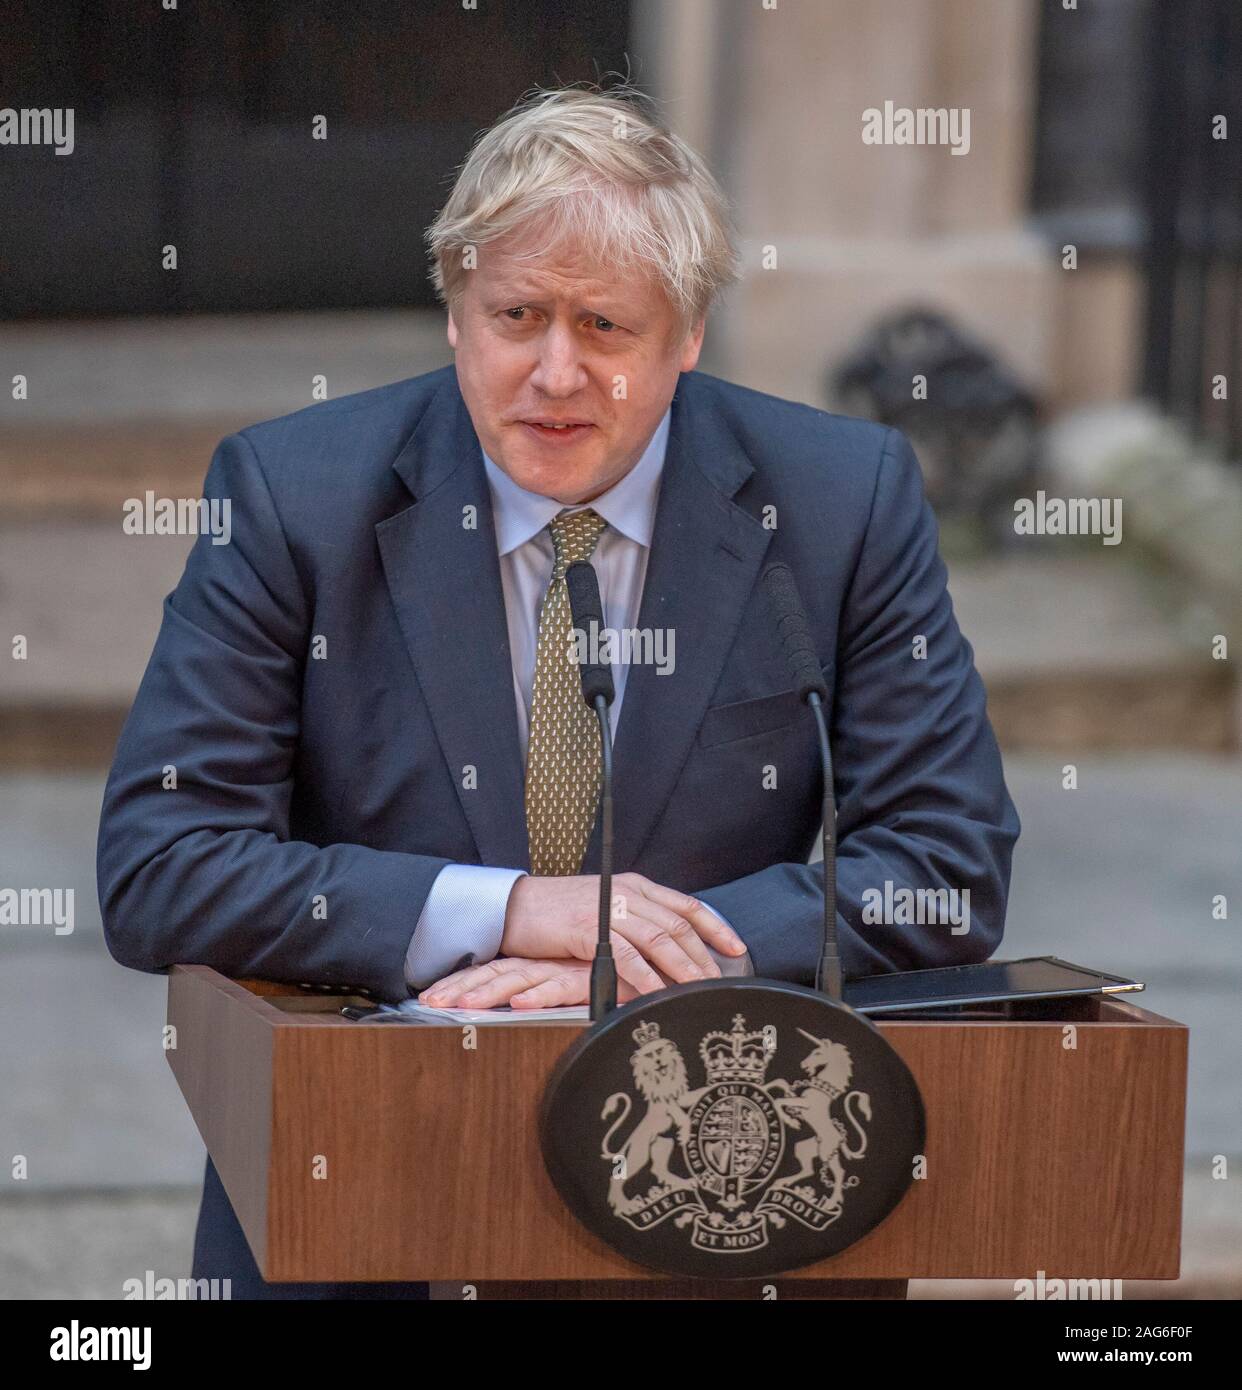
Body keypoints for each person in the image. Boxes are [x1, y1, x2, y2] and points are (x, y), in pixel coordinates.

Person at [97, 84, 1020, 1297]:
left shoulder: (841, 502)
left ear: (689, 333)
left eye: (605, 325)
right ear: (455, 310)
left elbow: (947, 861)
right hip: (373, 1196)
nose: (553, 372)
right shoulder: (291, 498)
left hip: (730, 1206)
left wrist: (647, 954)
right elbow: (159, 862)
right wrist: (506, 908)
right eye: (515, 314)